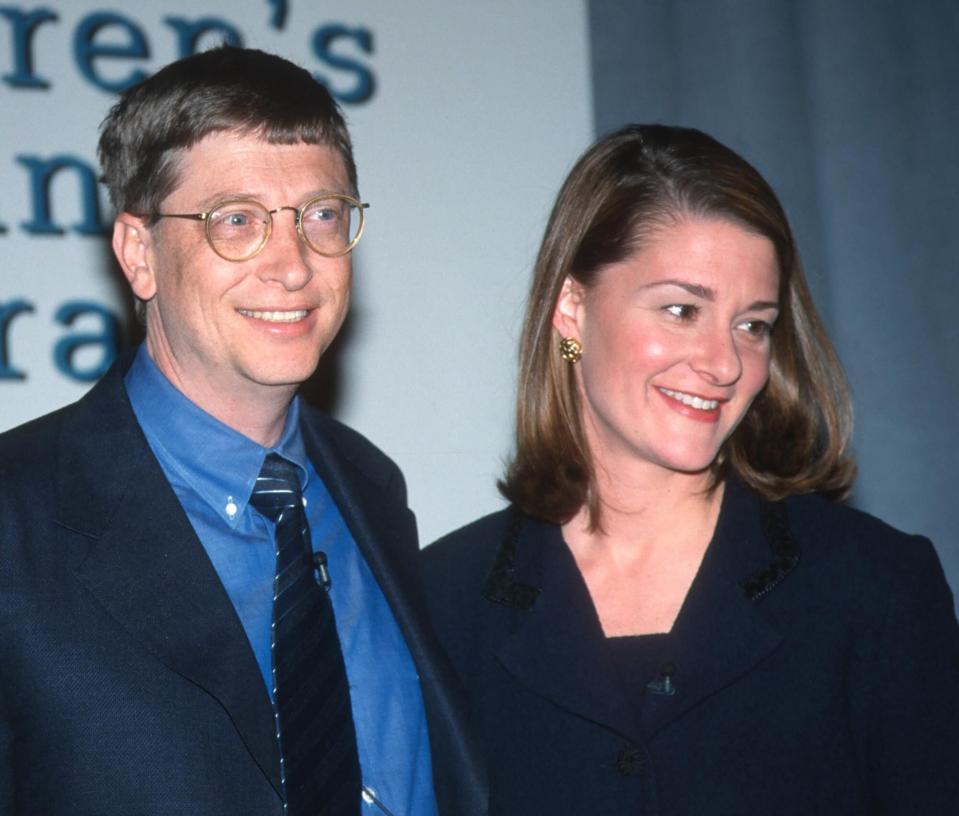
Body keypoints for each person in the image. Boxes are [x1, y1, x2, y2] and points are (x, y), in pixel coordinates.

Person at [0, 47, 483, 816]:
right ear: (139, 254)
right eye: (238, 222)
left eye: (322, 215)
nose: (293, 265)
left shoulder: (370, 490)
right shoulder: (18, 521)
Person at [422, 124, 959, 814]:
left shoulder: (870, 586)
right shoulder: (443, 602)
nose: (725, 363)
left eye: (752, 325)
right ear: (571, 311)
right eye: (682, 310)